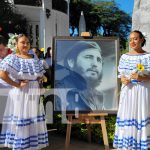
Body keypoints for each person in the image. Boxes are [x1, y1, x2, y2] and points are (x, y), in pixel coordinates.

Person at [0, 34, 49, 149]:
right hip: (21, 93)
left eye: (27, 42)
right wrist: (16, 84)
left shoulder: (34, 59)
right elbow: (2, 74)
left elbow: (39, 75)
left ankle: (30, 146)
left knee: (32, 118)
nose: (25, 44)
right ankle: (21, 146)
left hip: (33, 92)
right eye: (22, 42)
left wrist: (39, 81)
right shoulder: (13, 58)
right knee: (22, 119)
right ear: (16, 44)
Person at [113, 30, 150, 149]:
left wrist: (140, 77)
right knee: (126, 116)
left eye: (135, 39)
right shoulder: (124, 57)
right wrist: (123, 80)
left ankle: (140, 145)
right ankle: (126, 146)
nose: (132, 42)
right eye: (130, 39)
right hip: (128, 92)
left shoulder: (148, 56)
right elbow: (121, 74)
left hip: (142, 92)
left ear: (142, 40)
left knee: (140, 115)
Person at [55, 41, 103, 111]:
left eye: (99, 60)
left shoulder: (98, 95)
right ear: (71, 62)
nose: (95, 64)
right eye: (88, 57)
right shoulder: (60, 91)